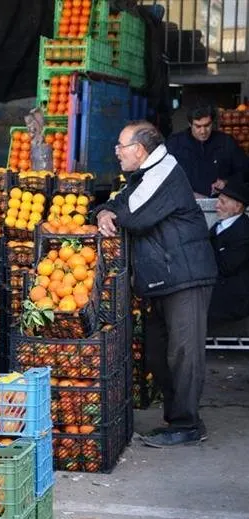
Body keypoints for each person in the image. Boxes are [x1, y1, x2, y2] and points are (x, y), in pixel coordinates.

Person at [96, 121, 217, 448]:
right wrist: (105, 210)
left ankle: (187, 424)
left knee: (183, 353)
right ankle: (177, 417)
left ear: (140, 149)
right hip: (164, 277)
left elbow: (134, 214)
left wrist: (112, 212)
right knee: (156, 355)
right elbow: (119, 202)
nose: (117, 152)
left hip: (185, 276)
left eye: (121, 146)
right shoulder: (144, 175)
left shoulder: (164, 169)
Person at [165, 104, 249, 198]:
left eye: (207, 125)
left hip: (219, 204)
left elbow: (245, 172)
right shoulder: (175, 144)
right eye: (198, 126)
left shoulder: (226, 142)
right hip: (185, 203)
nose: (203, 131)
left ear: (212, 122)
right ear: (190, 124)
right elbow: (163, 177)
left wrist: (227, 182)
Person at [207, 177, 249, 327]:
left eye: (223, 202)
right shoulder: (220, 226)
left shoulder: (244, 231)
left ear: (237, 207)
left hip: (232, 299)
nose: (217, 206)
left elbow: (225, 266)